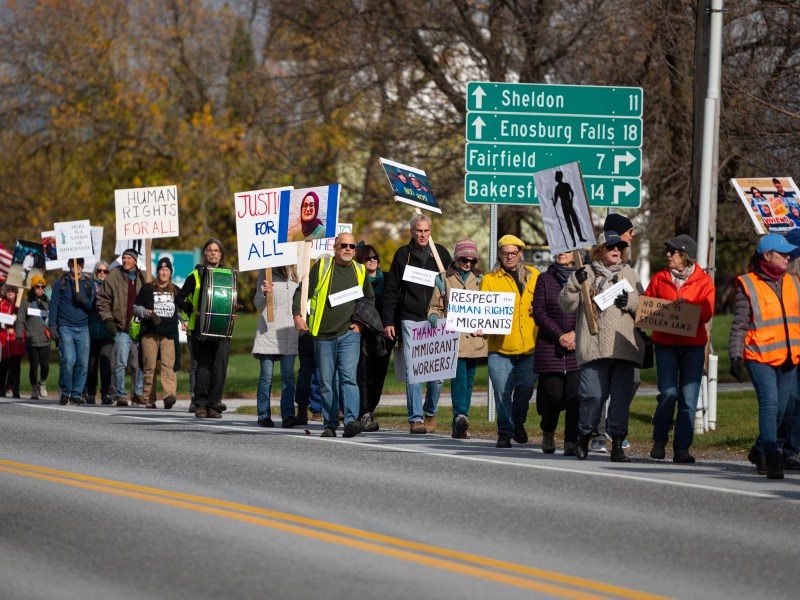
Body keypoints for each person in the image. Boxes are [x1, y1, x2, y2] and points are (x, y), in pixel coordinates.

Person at [559, 231, 644, 462]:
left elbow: (645, 309)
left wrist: (632, 302)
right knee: (592, 396)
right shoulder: (585, 272)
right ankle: (584, 436)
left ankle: (617, 443)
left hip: (623, 348)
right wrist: (574, 283)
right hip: (594, 346)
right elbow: (566, 304)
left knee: (620, 399)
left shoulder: (629, 273)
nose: (616, 250)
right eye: (610, 247)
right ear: (599, 250)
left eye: (619, 247)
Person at [729, 233, 800, 479]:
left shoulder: (794, 282)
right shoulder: (747, 284)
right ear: (766, 256)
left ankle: (758, 450)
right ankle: (772, 457)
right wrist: (735, 356)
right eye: (782, 253)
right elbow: (739, 324)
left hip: (789, 355)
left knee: (782, 409)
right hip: (759, 355)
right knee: (770, 405)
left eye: (789, 253)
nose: (788, 257)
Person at [293, 232, 374, 437]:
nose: (348, 249)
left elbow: (369, 301)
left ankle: (350, 422)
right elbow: (302, 292)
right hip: (322, 334)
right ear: (335, 248)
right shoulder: (322, 267)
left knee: (348, 378)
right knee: (327, 382)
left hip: (349, 334)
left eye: (352, 246)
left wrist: (360, 325)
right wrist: (297, 315)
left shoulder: (360, 270)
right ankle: (329, 424)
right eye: (344, 245)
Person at [644, 235, 715, 464]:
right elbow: (647, 306)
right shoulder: (659, 278)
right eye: (668, 251)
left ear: (684, 255)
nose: (668, 255)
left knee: (689, 397)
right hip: (665, 344)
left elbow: (707, 312)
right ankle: (659, 439)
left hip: (693, 347)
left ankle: (682, 448)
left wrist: (688, 308)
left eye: (672, 252)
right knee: (668, 393)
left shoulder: (703, 281)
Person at [382, 213, 452, 434]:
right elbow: (392, 290)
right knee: (414, 371)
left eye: (426, 230)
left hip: (438, 319)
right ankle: (415, 418)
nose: (423, 234)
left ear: (430, 231)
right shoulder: (403, 255)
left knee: (437, 375)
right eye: (419, 230)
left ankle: (430, 411)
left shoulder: (440, 253)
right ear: (412, 232)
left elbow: (454, 284)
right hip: (410, 319)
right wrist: (389, 321)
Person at [480, 234, 539, 448]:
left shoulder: (534, 276)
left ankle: (519, 422)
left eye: (514, 253)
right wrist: (479, 326)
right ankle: (504, 432)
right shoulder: (490, 279)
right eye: (505, 254)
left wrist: (539, 309)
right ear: (500, 255)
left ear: (520, 254)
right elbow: (483, 311)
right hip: (500, 346)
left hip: (529, 346)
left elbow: (545, 303)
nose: (510, 257)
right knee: (501, 390)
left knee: (525, 388)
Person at [427, 239, 487, 438]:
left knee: (470, 380)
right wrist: (434, 315)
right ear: (456, 258)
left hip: (476, 339)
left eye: (472, 260)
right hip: (453, 338)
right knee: (459, 377)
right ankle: (460, 414)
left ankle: (462, 420)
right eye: (464, 259)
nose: (468, 263)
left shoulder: (480, 279)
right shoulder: (444, 279)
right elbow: (435, 305)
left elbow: (488, 307)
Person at [176, 238, 233, 419]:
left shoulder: (228, 275)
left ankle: (214, 404)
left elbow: (230, 298)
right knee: (204, 366)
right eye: (210, 250)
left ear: (221, 254)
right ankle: (200, 403)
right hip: (201, 327)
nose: (213, 253)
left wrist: (233, 308)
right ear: (205, 254)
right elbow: (179, 299)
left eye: (216, 250)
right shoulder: (195, 275)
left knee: (220, 367)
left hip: (222, 328)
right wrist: (192, 310)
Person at [532, 252, 579, 455]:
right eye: (559, 249)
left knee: (574, 396)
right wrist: (561, 335)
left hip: (577, 346)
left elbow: (590, 310)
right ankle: (548, 431)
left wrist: (575, 334)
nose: (562, 253)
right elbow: (539, 312)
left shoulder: (584, 278)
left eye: (567, 249)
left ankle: (571, 439)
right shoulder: (544, 279)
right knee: (552, 395)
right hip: (551, 346)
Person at [252, 265, 302, 428]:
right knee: (266, 376)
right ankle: (264, 415)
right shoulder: (266, 271)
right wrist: (264, 293)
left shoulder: (297, 272)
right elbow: (258, 303)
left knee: (288, 376)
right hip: (269, 329)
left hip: (288, 330)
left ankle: (288, 415)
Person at [97, 248, 146, 407]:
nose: (125, 260)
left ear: (135, 260)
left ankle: (138, 393)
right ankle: (121, 395)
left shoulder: (143, 278)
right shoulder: (113, 276)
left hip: (138, 328)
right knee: (120, 364)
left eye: (128, 258)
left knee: (138, 365)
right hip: (121, 328)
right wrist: (109, 320)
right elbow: (102, 300)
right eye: (123, 258)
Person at [355, 244, 392, 432]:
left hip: (383, 336)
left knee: (379, 375)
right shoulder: (356, 280)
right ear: (361, 260)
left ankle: (370, 409)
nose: (373, 260)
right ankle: (363, 411)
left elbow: (394, 303)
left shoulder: (387, 279)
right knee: (362, 372)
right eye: (368, 257)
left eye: (375, 257)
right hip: (361, 333)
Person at [134, 257, 180, 410]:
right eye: (161, 269)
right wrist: (146, 313)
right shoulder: (147, 289)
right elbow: (136, 307)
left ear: (171, 273)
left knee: (168, 365)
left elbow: (179, 309)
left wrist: (184, 321)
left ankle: (169, 396)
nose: (164, 272)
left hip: (169, 333)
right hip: (150, 332)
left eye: (167, 270)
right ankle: (149, 398)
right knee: (150, 366)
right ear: (158, 271)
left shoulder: (175, 290)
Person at [49, 258, 94, 406]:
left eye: (81, 263)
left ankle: (76, 393)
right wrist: (53, 326)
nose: (78, 266)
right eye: (75, 263)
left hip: (83, 327)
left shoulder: (88, 283)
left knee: (82, 362)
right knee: (68, 360)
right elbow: (54, 305)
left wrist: (83, 301)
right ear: (69, 265)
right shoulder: (60, 282)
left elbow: (93, 306)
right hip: (65, 327)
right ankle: (65, 391)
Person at [17, 275, 51, 400]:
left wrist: (52, 300)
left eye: (42, 287)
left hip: (45, 340)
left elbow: (55, 315)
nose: (40, 289)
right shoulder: (26, 304)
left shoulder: (48, 303)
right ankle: (34, 388)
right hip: (31, 341)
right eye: (37, 286)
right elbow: (20, 320)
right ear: (33, 288)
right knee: (33, 366)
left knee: (45, 366)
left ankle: (42, 383)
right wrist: (18, 336)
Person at [86, 262, 114, 404]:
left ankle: (105, 393)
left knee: (105, 362)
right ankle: (90, 392)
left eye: (105, 271)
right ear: (95, 272)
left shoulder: (112, 288)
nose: (102, 273)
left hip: (106, 332)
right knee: (91, 364)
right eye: (99, 270)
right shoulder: (88, 286)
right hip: (91, 331)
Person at [0, 284, 24, 398]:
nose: (10, 292)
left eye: (12, 291)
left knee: (15, 369)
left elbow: (23, 320)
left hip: (15, 341)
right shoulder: (1, 303)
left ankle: (16, 390)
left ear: (16, 293)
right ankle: (1, 389)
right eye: (8, 290)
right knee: (2, 368)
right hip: (3, 341)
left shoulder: (20, 305)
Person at [552, 170, 586, 246]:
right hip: (564, 207)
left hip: (570, 206)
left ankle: (580, 237)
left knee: (576, 222)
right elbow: (556, 197)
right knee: (569, 224)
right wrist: (554, 203)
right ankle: (573, 240)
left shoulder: (566, 185)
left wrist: (571, 200)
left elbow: (572, 192)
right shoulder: (557, 188)